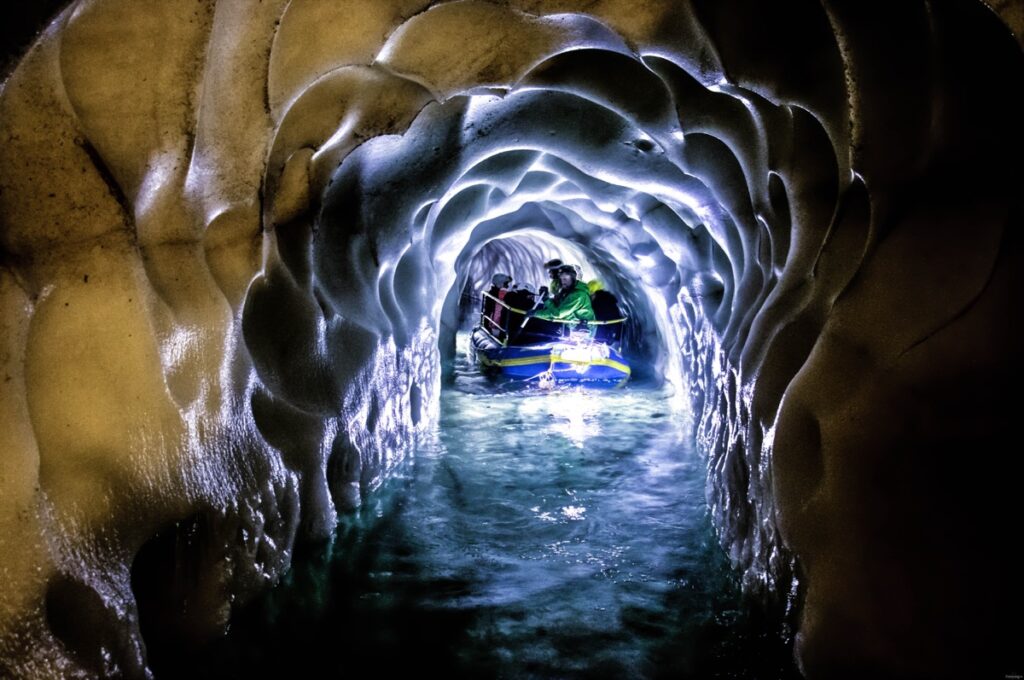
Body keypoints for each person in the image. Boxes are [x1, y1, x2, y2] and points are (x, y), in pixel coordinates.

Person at [527, 264, 595, 326]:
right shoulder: (567, 290)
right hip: (567, 323)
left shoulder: (577, 295)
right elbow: (556, 307)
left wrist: (537, 312)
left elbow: (558, 314)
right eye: (561, 279)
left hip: (580, 329)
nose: (563, 282)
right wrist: (544, 299)